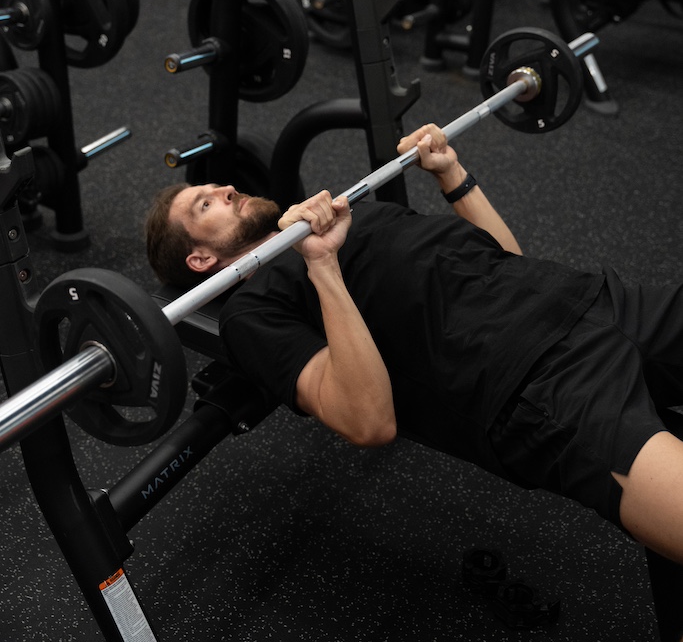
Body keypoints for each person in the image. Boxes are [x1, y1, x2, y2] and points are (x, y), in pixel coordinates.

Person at [145, 123, 683, 574]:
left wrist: (452, 174)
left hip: (591, 299)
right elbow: (368, 423)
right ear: (200, 260)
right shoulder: (253, 310)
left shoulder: (347, 211)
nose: (228, 191)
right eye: (206, 204)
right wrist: (321, 264)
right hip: (539, 386)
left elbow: (506, 262)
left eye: (218, 186)